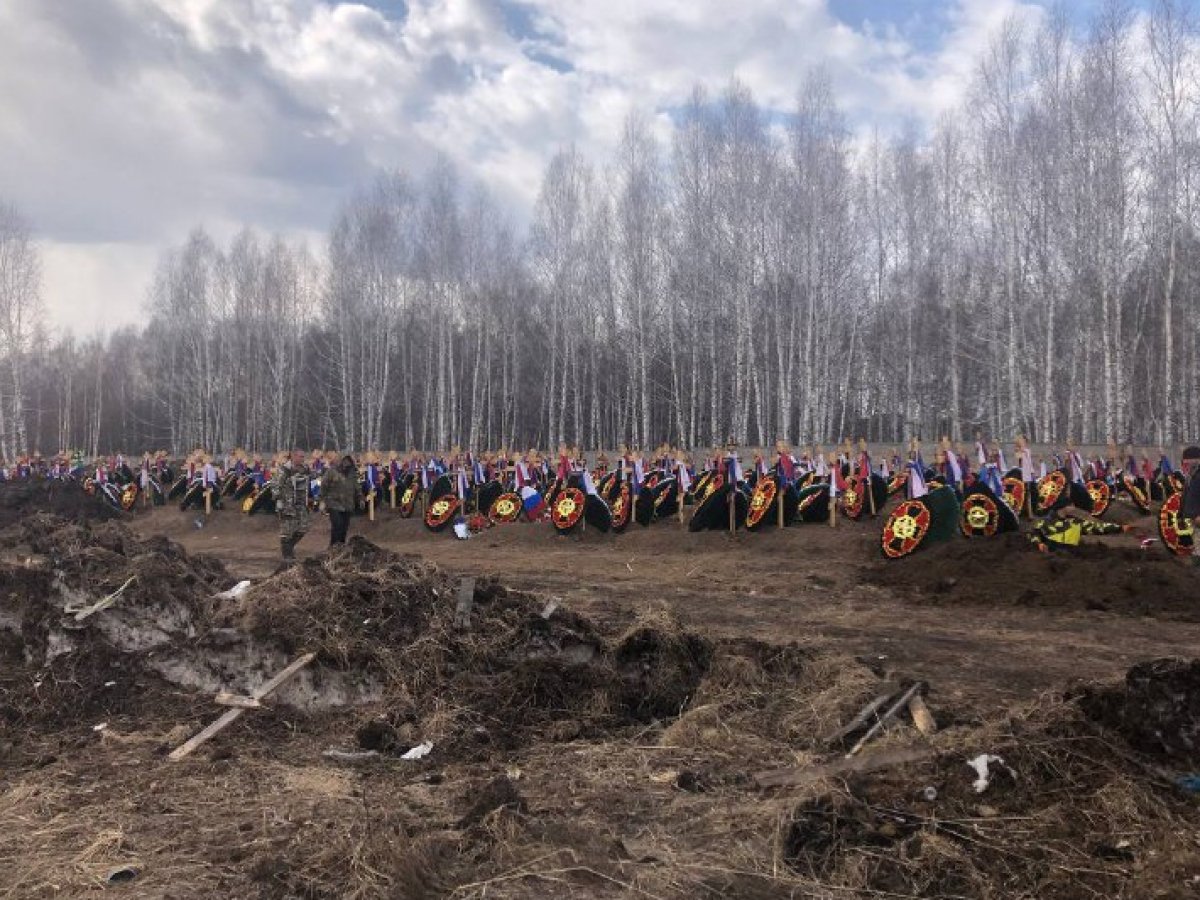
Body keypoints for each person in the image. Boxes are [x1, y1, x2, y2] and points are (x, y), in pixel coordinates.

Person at [272, 449, 311, 561]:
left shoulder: (305, 469)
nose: (302, 459)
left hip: (301, 503)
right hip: (287, 504)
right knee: (287, 531)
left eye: (303, 456)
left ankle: (290, 547)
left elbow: (309, 482)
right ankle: (287, 555)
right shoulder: (285, 469)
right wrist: (278, 500)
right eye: (300, 456)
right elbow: (275, 485)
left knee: (303, 527)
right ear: (293, 457)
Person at [321, 454, 361, 546]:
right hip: (334, 504)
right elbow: (324, 485)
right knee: (337, 525)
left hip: (347, 505)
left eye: (349, 462)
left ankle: (341, 546)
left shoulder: (352, 473)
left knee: (344, 527)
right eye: (345, 461)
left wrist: (360, 498)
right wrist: (322, 500)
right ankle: (333, 546)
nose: (347, 464)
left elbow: (356, 486)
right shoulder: (332, 472)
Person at [1182, 445, 1200, 568]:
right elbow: (1186, 496)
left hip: (1198, 517)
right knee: (1196, 544)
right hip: (1191, 516)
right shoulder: (1190, 477)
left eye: (1187, 462)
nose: (1185, 465)